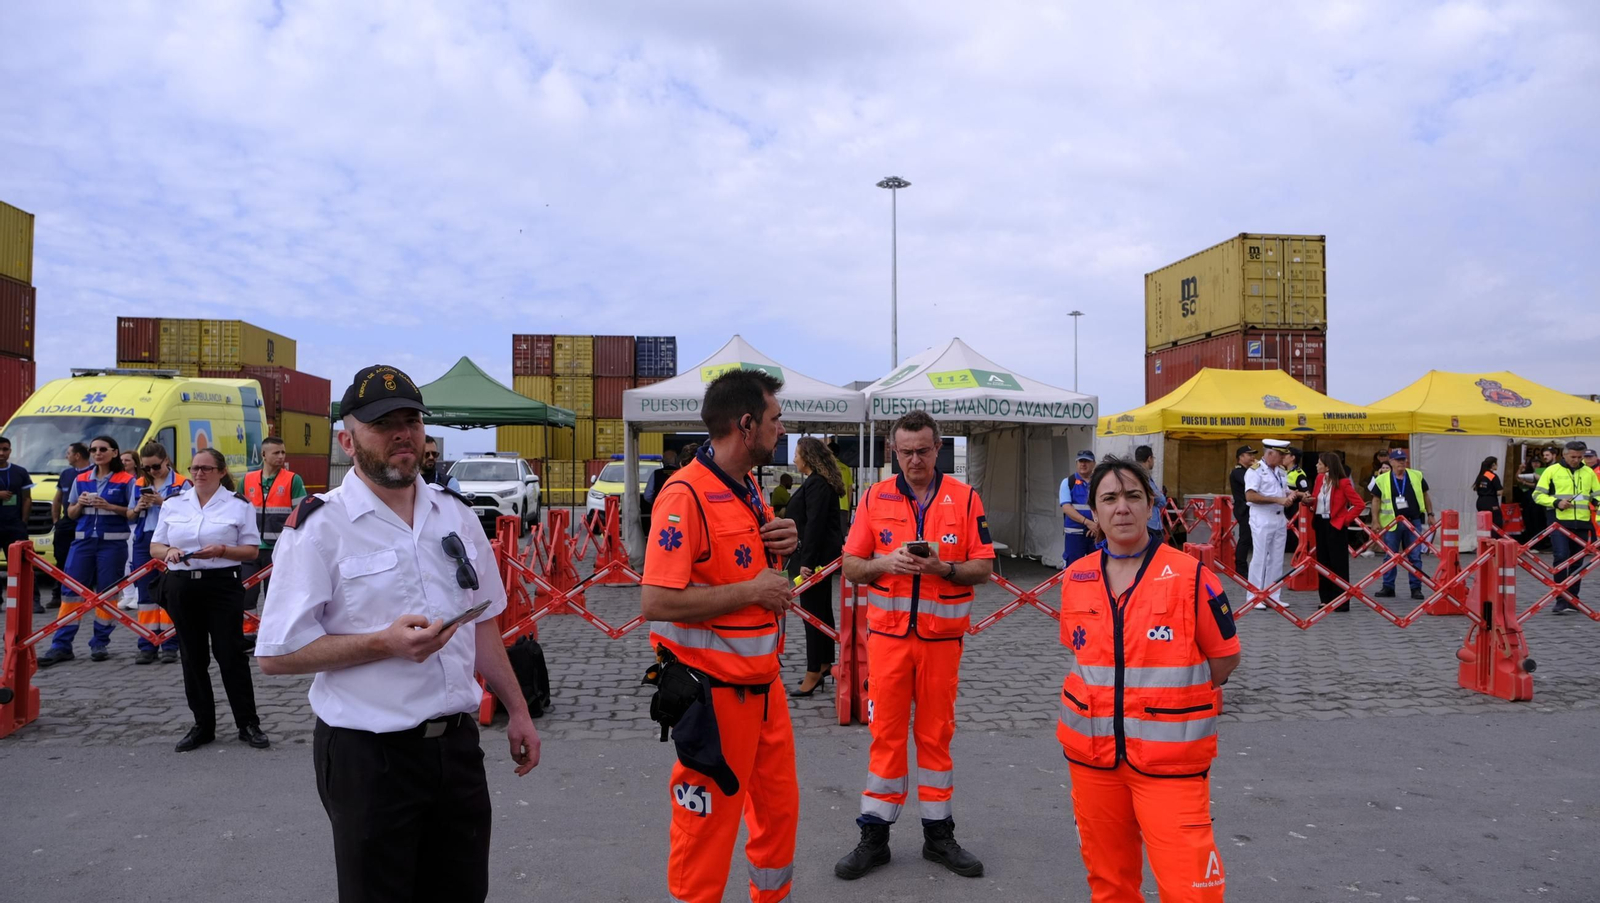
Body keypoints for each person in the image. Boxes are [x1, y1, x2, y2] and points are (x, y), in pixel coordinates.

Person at [256, 364, 540, 902]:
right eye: (383, 423)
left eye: (411, 420)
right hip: (370, 758)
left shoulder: (456, 516)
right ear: (348, 439)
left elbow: (482, 623)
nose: (402, 433)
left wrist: (519, 710)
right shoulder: (320, 528)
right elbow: (276, 654)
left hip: (455, 750)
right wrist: (381, 643)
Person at [639, 368, 799, 903]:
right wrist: (752, 592)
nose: (784, 429)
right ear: (747, 424)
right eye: (776, 419)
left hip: (765, 690)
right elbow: (655, 601)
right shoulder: (684, 495)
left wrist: (783, 542)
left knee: (777, 824)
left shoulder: (749, 486)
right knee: (703, 840)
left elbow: (746, 569)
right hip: (712, 699)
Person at [1056, 455, 1241, 902]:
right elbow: (1080, 653)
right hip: (1093, 760)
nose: (1122, 507)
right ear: (1094, 513)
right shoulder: (1076, 578)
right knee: (1109, 884)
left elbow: (1224, 660)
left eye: (1133, 496)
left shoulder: (1192, 575)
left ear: (1152, 504)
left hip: (1169, 764)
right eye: (1110, 498)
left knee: (1190, 889)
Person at [836, 410, 994, 881]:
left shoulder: (965, 499)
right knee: (884, 735)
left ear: (939, 447)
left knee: (935, 736)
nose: (914, 459)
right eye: (905, 452)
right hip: (886, 641)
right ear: (893, 451)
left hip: (941, 642)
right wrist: (886, 562)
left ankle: (938, 835)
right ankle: (875, 836)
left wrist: (942, 569)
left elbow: (983, 568)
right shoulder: (874, 497)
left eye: (923, 450)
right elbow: (851, 565)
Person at [150, 447, 266, 750]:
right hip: (182, 584)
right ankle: (203, 725)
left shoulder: (238, 505)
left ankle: (248, 723)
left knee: (230, 654)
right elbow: (156, 546)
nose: (199, 473)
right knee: (192, 656)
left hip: (221, 585)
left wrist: (222, 550)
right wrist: (169, 551)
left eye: (206, 468)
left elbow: (251, 551)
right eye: (195, 468)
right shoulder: (175, 504)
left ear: (221, 472)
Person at [39, 436, 135, 666]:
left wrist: (109, 506)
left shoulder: (126, 480)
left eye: (103, 449)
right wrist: (80, 503)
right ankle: (61, 645)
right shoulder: (81, 479)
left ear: (114, 452)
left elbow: (133, 513)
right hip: (82, 543)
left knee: (106, 595)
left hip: (112, 545)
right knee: (70, 593)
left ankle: (100, 643)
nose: (97, 453)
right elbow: (70, 514)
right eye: (94, 449)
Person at [788, 436, 845, 697]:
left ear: (808, 456)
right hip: (820, 558)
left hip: (815, 560)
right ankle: (823, 663)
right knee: (820, 612)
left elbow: (815, 525)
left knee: (812, 615)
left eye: (797, 453)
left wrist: (806, 563)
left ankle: (814, 670)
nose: (794, 459)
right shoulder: (818, 483)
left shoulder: (817, 484)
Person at [130, 442, 187, 664]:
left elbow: (190, 512)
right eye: (146, 468)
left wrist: (162, 502)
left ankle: (170, 644)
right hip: (144, 540)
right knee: (145, 596)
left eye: (156, 467)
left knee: (169, 593)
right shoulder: (138, 483)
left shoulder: (183, 483)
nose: (152, 472)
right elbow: (129, 514)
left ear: (166, 461)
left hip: (170, 540)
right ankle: (147, 644)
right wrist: (138, 508)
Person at [241, 436, 307, 615]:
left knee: (276, 596)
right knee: (246, 595)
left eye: (283, 452)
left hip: (278, 549)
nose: (281, 456)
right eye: (276, 452)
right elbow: (237, 511)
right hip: (251, 548)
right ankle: (248, 635)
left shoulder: (293, 480)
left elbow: (301, 514)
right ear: (263, 454)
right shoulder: (247, 480)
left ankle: (273, 635)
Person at [1533, 440, 1599, 615]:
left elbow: (1596, 496)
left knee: (1578, 562)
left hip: (1583, 523)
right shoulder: (1552, 471)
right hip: (1559, 523)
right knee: (1561, 558)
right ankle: (1561, 599)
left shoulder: (1588, 472)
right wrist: (1556, 502)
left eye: (1580, 457)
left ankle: (1572, 599)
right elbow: (1537, 495)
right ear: (1564, 454)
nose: (1577, 460)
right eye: (1573, 457)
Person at [1367, 448, 1434, 601]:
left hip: (1413, 522)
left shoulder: (1416, 475)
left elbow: (1425, 495)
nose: (1401, 462)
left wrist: (1430, 514)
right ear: (1390, 462)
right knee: (1390, 556)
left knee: (1415, 556)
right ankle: (1388, 586)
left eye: (1403, 459)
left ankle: (1416, 588)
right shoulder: (1382, 479)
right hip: (1392, 523)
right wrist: (1375, 520)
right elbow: (1375, 500)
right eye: (1398, 460)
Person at [1244, 439, 1298, 609]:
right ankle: (1254, 595)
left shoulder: (1281, 471)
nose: (1283, 458)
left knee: (1276, 558)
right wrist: (1278, 499)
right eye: (1281, 454)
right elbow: (1250, 496)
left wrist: (1297, 495)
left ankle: (1273, 595)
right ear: (1269, 453)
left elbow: (1282, 489)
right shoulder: (1256, 471)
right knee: (1260, 558)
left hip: (1279, 517)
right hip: (1262, 517)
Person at [1312, 452, 1363, 612]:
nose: (1316, 465)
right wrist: (1308, 500)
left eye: (1319, 463)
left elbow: (1359, 504)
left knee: (1338, 564)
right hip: (1321, 523)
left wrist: (1345, 519)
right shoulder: (1319, 479)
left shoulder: (1343, 482)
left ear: (1327, 466)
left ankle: (1341, 600)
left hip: (1336, 524)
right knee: (1323, 561)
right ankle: (1325, 598)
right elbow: (1316, 498)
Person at [46, 442, 90, 610]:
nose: (66, 456)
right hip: (66, 523)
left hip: (84, 522)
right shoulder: (66, 474)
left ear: (77, 455)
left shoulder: (93, 473)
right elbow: (58, 498)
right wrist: (56, 520)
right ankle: (58, 595)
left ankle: (85, 595)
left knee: (84, 561)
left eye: (68, 453)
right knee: (61, 559)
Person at [0, 436, 35, 610]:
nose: (1, 453)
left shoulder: (20, 471)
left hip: (14, 525)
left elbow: (28, 498)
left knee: (22, 563)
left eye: (5, 449)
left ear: (10, 451)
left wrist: (23, 521)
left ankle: (32, 600)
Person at [1060, 450, 1098, 566]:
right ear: (1076, 463)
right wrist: (1087, 522)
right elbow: (1066, 508)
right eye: (1081, 461)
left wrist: (1097, 525)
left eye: (1087, 461)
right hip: (1075, 535)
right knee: (1073, 568)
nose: (1083, 464)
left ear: (1094, 464)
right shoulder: (1068, 482)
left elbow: (1105, 505)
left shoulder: (1099, 482)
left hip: (1096, 533)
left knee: (1097, 567)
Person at [1228, 446, 1256, 575]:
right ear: (1241, 457)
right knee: (1245, 538)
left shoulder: (1248, 471)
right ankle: (1241, 569)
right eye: (1248, 455)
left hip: (1250, 509)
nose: (1252, 457)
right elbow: (1250, 483)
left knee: (1249, 538)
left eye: (1252, 455)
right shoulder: (1238, 471)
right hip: (1244, 509)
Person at [1134, 444, 1166, 540]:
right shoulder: (1143, 476)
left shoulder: (1134, 474)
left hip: (1144, 523)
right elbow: (1161, 500)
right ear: (1149, 458)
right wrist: (1159, 496)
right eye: (1153, 458)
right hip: (1150, 525)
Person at [1283, 447, 1310, 555]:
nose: (1283, 457)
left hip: (1293, 510)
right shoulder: (1282, 471)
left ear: (1292, 458)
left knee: (1292, 538)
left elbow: (1307, 494)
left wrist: (1291, 492)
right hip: (1283, 508)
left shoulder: (1299, 474)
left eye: (1286, 455)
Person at [829, 438, 855, 534]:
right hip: (843, 507)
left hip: (830, 506)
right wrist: (848, 508)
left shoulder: (827, 467)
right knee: (843, 534)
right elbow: (849, 490)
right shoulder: (846, 468)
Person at [1473, 456, 1504, 530]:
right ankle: (1494, 540)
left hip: (1480, 502)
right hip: (1490, 503)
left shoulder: (1481, 475)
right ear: (1493, 464)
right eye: (1497, 463)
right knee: (1496, 524)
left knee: (1484, 524)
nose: (1497, 465)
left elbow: (1476, 488)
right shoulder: (1492, 476)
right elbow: (1499, 492)